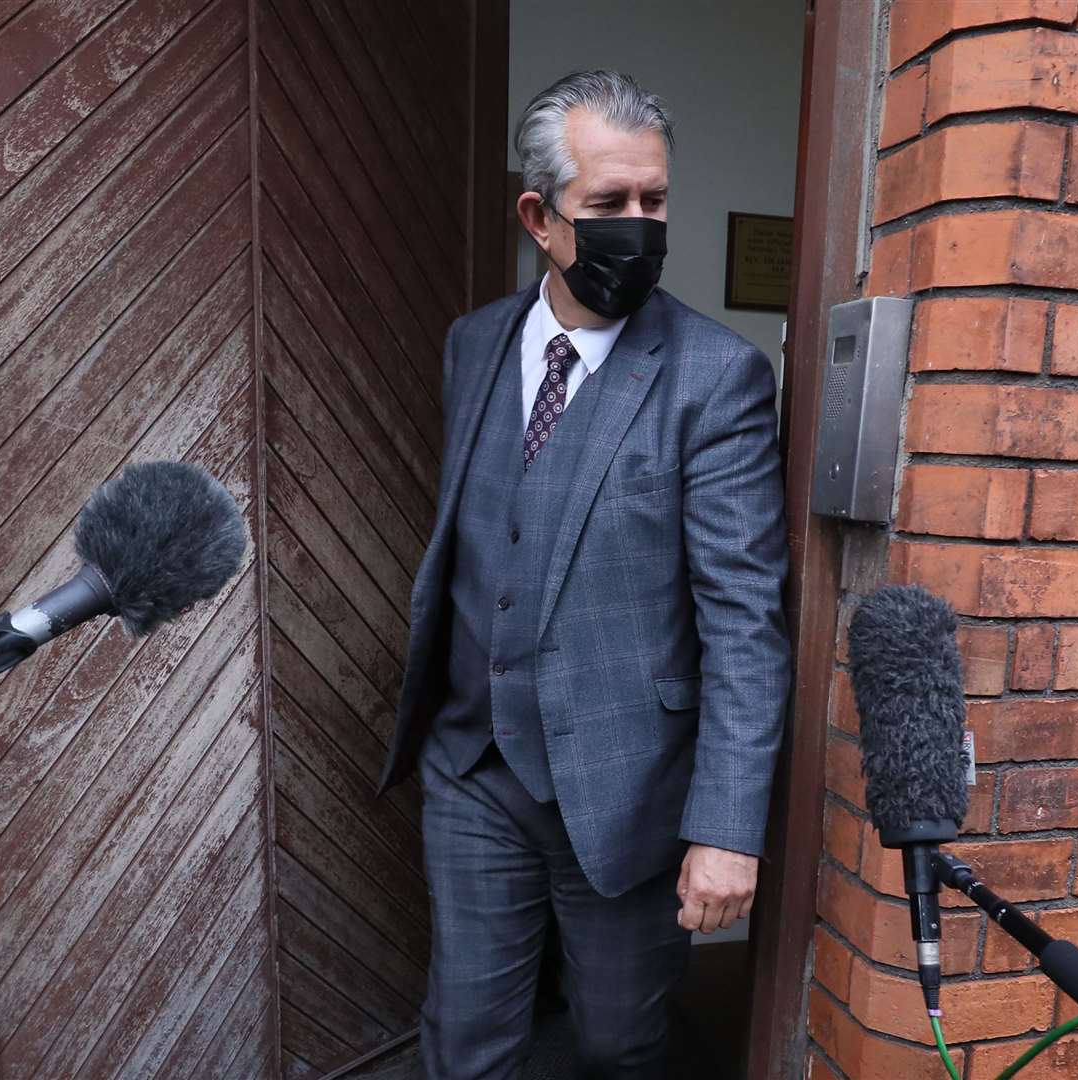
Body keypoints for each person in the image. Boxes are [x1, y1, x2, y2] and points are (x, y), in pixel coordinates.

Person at [376, 69, 791, 1079]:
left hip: (626, 788)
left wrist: (726, 830)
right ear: (541, 218)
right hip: (475, 768)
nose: (639, 225)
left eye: (654, 200)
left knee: (617, 1046)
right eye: (609, 205)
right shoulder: (473, 346)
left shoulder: (716, 378)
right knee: (465, 1038)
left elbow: (745, 622)